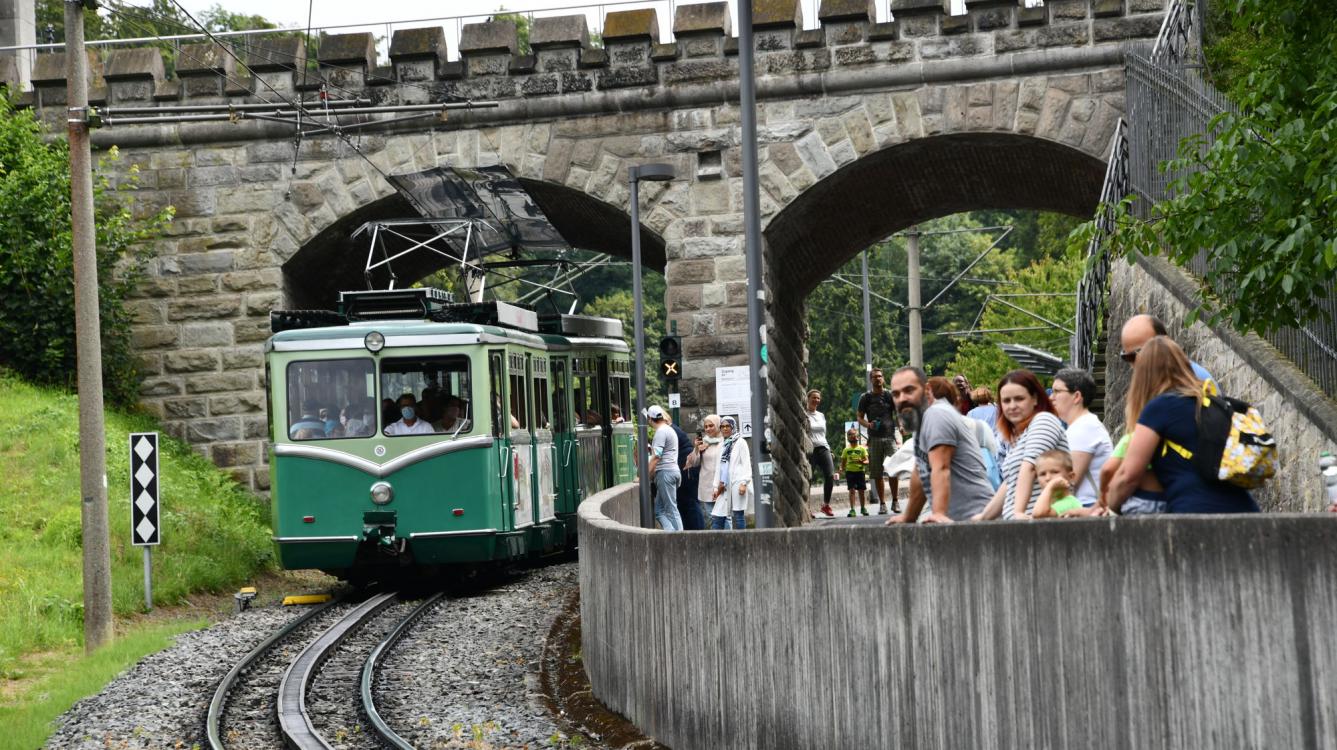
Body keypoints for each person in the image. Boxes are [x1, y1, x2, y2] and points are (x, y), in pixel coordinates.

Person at [1105, 336, 1259, 514]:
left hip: (1196, 514)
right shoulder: (1213, 403)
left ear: (1143, 375)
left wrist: (1109, 507)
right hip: (1244, 510)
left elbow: (1127, 476)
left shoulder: (1160, 407)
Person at [887, 371, 995, 524]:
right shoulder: (922, 420)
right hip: (961, 522)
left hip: (973, 521)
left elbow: (941, 467)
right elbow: (920, 474)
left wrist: (938, 513)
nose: (902, 398)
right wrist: (909, 516)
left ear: (927, 391)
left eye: (909, 390)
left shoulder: (936, 414)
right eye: (896, 394)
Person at [978, 370, 1069, 520]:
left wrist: (1018, 512)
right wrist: (982, 518)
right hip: (1021, 525)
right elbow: (1009, 484)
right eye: (1006, 401)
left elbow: (1030, 467)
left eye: (1019, 399)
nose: (1012, 406)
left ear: (1034, 399)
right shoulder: (1020, 436)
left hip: (1040, 521)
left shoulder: (1044, 421)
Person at [1051, 368, 1112, 510]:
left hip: (1085, 508)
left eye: (1057, 391)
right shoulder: (1083, 425)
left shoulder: (1084, 428)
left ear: (1076, 396)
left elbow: (1069, 483)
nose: (1051, 397)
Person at [1120, 314, 1214, 386]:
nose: (1138, 361)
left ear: (1165, 342)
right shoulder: (1149, 385)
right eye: (1129, 357)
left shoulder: (1190, 380)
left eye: (1146, 351)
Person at [857, 367, 901, 514]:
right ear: (871, 380)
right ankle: (882, 503)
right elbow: (859, 417)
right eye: (875, 377)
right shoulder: (866, 397)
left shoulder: (890, 395)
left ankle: (895, 501)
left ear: (883, 378)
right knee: (877, 473)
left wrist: (900, 427)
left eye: (880, 376)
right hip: (874, 438)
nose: (878, 379)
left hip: (890, 437)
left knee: (893, 469)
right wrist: (867, 424)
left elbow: (897, 413)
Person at [645, 405, 684, 531]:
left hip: (665, 473)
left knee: (671, 509)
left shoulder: (661, 432)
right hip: (673, 471)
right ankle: (671, 534)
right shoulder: (669, 429)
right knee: (659, 510)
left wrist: (643, 477)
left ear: (650, 419)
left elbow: (656, 456)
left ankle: (681, 540)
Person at [710, 416, 751, 530]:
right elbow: (719, 468)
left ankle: (741, 543)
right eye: (722, 426)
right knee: (717, 515)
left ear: (733, 427)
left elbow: (746, 463)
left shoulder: (740, 442)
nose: (725, 429)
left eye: (728, 426)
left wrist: (744, 482)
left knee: (738, 515)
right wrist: (715, 487)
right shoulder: (722, 444)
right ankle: (715, 544)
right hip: (723, 485)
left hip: (737, 482)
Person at [805, 389, 837, 518]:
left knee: (830, 475)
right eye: (814, 398)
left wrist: (829, 450)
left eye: (818, 398)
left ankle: (826, 504)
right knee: (808, 479)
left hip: (823, 448)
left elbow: (823, 435)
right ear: (808, 398)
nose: (816, 400)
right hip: (810, 450)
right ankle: (806, 508)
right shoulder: (803, 414)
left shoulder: (821, 415)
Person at [1029, 449, 1088, 518]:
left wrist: (1050, 486)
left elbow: (1039, 514)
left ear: (1071, 477)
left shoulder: (1069, 502)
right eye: (1042, 474)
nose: (1048, 478)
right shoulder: (1047, 503)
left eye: (1054, 472)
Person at [687, 414, 723, 524]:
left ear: (718, 425)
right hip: (707, 485)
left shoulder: (724, 442)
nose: (708, 429)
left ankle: (727, 539)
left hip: (721, 484)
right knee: (711, 516)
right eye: (706, 427)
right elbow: (694, 463)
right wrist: (697, 449)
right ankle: (717, 540)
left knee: (724, 516)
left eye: (711, 425)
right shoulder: (704, 443)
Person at [670, 415, 704, 530]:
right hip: (686, 469)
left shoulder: (669, 430)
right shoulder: (674, 431)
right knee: (688, 503)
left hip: (687, 471)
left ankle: (696, 531)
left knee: (690, 503)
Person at [839, 429, 869, 517]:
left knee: (861, 491)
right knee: (851, 490)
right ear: (848, 437)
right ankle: (852, 510)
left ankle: (863, 508)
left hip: (860, 472)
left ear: (857, 436)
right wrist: (841, 469)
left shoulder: (862, 448)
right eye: (850, 434)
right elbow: (843, 463)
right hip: (850, 472)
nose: (852, 436)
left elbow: (867, 461)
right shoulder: (846, 450)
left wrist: (862, 462)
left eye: (854, 434)